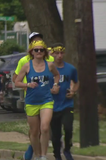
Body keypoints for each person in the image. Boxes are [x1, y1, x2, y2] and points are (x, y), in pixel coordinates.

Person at [12, 32, 55, 160]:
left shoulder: (50, 60)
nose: (39, 50)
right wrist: (27, 85)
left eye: (41, 46)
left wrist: (55, 86)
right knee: (34, 131)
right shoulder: (24, 61)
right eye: (35, 46)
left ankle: (42, 156)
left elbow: (57, 73)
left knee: (45, 127)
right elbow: (16, 79)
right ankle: (34, 154)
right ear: (31, 48)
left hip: (46, 98)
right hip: (31, 98)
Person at [49, 43, 79, 160]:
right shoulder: (48, 68)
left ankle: (67, 149)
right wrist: (51, 90)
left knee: (68, 128)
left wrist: (73, 92)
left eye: (62, 53)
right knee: (56, 134)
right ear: (52, 54)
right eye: (57, 53)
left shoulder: (70, 69)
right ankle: (57, 154)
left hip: (67, 104)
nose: (59, 56)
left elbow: (76, 82)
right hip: (52, 106)